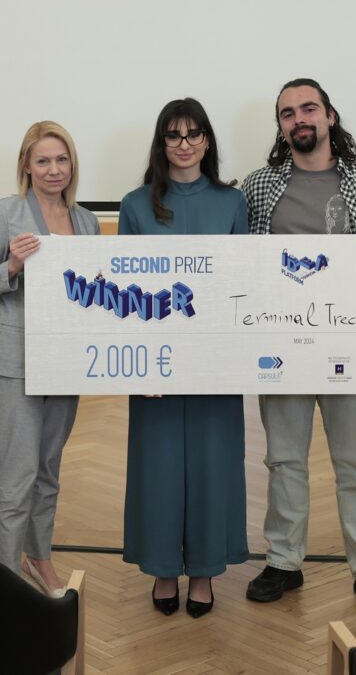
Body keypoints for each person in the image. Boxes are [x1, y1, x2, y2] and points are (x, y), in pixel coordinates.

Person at [242, 78, 356, 616]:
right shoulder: (259, 186)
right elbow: (242, 261)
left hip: (347, 344)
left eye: (308, 108)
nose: (299, 119)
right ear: (281, 126)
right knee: (284, 459)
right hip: (280, 345)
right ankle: (284, 561)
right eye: (288, 113)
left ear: (330, 116)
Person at [118, 98, 250, 618]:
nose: (185, 144)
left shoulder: (232, 201)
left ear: (207, 140)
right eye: (174, 135)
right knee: (159, 466)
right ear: (161, 143)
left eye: (194, 134)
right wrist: (141, 365)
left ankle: (204, 573)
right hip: (155, 364)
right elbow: (124, 291)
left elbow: (243, 283)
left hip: (216, 359)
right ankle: (162, 569)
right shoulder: (134, 205)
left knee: (215, 463)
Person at [0, 120, 100, 595]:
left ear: (72, 165)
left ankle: (38, 559)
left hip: (65, 359)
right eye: (42, 160)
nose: (53, 169)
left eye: (62, 160)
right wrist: (13, 265)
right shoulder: (7, 211)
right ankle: (4, 581)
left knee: (48, 471)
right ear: (26, 164)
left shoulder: (86, 221)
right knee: (17, 473)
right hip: (16, 361)